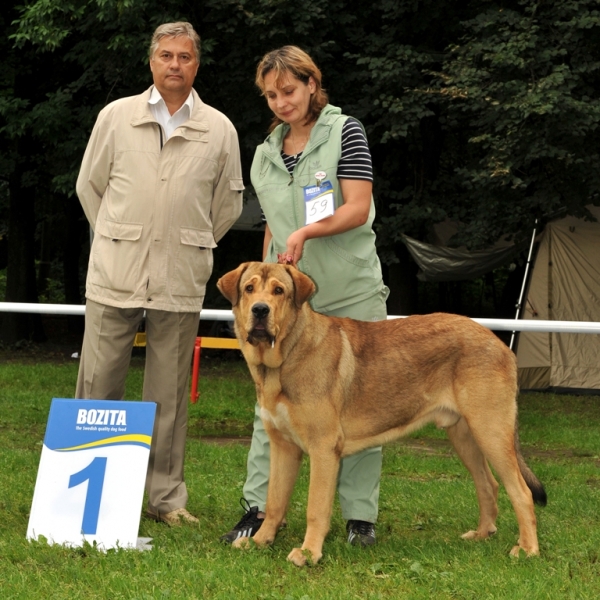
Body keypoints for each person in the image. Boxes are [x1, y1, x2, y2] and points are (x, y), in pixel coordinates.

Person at [75, 22, 244, 526]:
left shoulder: (220, 128)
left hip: (179, 276)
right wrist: (120, 236)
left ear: (197, 64)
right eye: (166, 55)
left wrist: (183, 239)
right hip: (115, 271)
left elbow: (228, 205)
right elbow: (91, 188)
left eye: (185, 57)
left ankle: (165, 499)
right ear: (151, 61)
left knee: (167, 395)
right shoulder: (115, 116)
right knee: (98, 385)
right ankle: (85, 490)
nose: (175, 64)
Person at [221, 46, 388, 546]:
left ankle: (360, 518)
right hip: (288, 303)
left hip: (348, 291)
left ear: (312, 84)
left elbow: (358, 207)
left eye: (289, 91)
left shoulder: (346, 131)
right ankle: (260, 510)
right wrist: (261, 284)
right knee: (270, 406)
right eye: (271, 94)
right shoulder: (266, 152)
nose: (280, 102)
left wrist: (308, 234)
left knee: (361, 405)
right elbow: (273, 228)